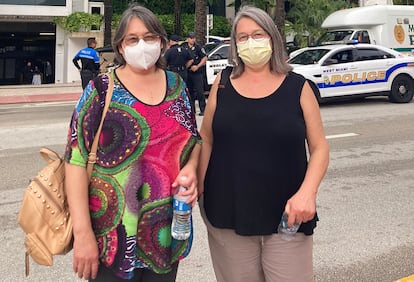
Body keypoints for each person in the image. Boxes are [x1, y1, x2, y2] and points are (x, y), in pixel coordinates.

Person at [64, 4, 201, 282]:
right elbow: (76, 161)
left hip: (164, 236)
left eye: (150, 37)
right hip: (109, 240)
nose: (143, 45)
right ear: (120, 46)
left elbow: (193, 142)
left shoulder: (177, 86)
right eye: (133, 39)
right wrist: (83, 234)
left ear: (162, 42)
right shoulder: (101, 89)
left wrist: (192, 168)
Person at [198, 5, 329, 282]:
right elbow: (206, 138)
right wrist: (198, 191)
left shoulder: (299, 87)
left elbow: (319, 148)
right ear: (234, 44)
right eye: (242, 37)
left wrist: (308, 192)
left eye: (257, 34)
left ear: (272, 37)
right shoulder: (222, 84)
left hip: (288, 217)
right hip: (227, 212)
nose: (250, 42)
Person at [181, 32, 207, 116]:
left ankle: (203, 109)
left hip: (197, 72)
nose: (193, 40)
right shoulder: (183, 47)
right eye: (191, 38)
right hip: (188, 72)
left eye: (194, 38)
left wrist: (198, 66)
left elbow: (204, 57)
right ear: (188, 39)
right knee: (190, 92)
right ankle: (192, 110)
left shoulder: (198, 47)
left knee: (200, 91)